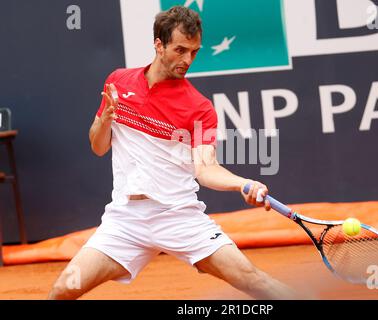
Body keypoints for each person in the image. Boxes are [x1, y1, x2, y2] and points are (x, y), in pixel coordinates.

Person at [48, 6, 296, 300]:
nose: (187, 59)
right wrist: (104, 122)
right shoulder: (118, 82)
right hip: (125, 220)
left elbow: (206, 169)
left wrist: (243, 183)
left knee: (253, 281)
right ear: (158, 44)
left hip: (178, 217)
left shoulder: (199, 107)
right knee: (64, 289)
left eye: (194, 51)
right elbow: (98, 146)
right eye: (180, 49)